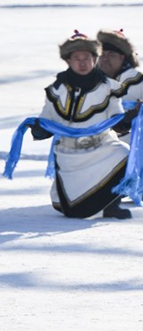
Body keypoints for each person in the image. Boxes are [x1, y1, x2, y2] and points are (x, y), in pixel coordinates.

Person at [29, 30, 137, 220]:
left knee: (123, 153)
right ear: (68, 61)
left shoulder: (109, 88)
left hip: (100, 148)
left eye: (86, 58)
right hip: (68, 153)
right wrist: (39, 129)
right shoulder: (56, 89)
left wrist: (126, 120)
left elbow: (117, 118)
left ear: (94, 59)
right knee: (72, 211)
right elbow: (47, 119)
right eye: (77, 58)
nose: (82, 63)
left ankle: (112, 205)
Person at [97, 28, 143, 204]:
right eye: (101, 54)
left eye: (111, 54)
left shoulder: (139, 81)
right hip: (101, 134)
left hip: (134, 132)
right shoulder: (90, 80)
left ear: (123, 58)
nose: (105, 59)